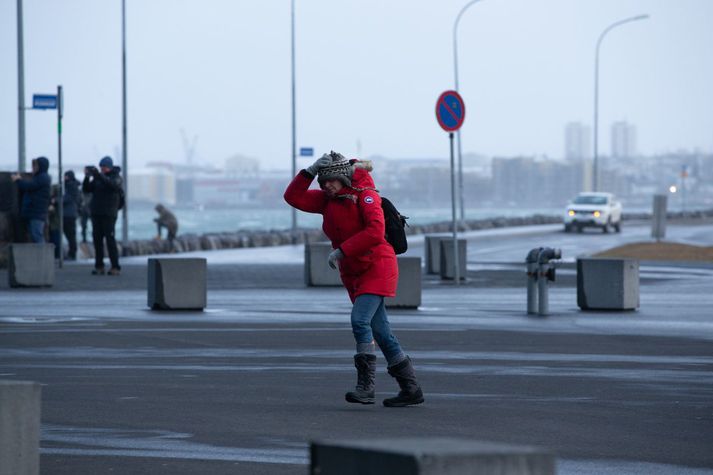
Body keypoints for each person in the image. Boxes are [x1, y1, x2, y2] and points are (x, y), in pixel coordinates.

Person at [283, 152, 424, 407]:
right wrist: (310, 171)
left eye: (331, 180)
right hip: (354, 272)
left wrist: (342, 250)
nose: (326, 186)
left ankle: (365, 387)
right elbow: (292, 197)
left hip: (378, 266)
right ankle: (410, 387)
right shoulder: (328, 200)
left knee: (360, 321)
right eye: (322, 182)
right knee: (381, 332)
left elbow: (375, 232)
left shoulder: (367, 196)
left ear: (343, 177)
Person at [83, 156, 123, 275]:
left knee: (110, 240)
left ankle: (115, 266)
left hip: (109, 214)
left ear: (110, 167)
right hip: (96, 213)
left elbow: (113, 186)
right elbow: (87, 189)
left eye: (104, 167)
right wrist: (87, 176)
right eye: (101, 167)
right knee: (97, 241)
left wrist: (99, 175)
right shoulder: (97, 179)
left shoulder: (117, 177)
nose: (102, 169)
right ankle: (99, 266)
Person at [12, 156, 51, 243]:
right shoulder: (40, 177)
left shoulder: (43, 177)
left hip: (37, 213)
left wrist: (18, 180)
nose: (34, 168)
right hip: (34, 212)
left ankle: (43, 255)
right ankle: (40, 255)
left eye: (36, 166)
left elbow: (29, 186)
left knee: (37, 235)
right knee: (34, 235)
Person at [62, 170, 82, 260]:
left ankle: (72, 253)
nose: (64, 178)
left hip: (68, 214)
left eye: (66, 176)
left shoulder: (70, 186)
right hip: (71, 214)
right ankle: (72, 252)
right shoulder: (73, 186)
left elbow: (66, 199)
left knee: (70, 235)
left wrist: (56, 200)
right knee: (70, 235)